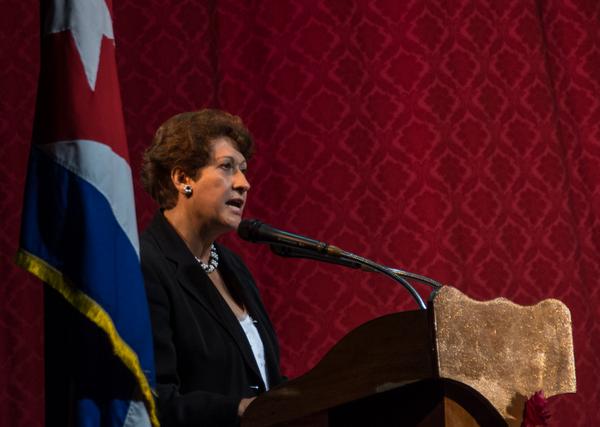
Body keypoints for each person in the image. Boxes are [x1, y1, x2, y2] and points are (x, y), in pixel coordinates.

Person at [139, 109, 284, 426]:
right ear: (182, 179)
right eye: (227, 167)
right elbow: (151, 401)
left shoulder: (232, 265)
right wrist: (241, 409)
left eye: (244, 170)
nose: (244, 184)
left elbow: (265, 379)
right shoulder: (147, 266)